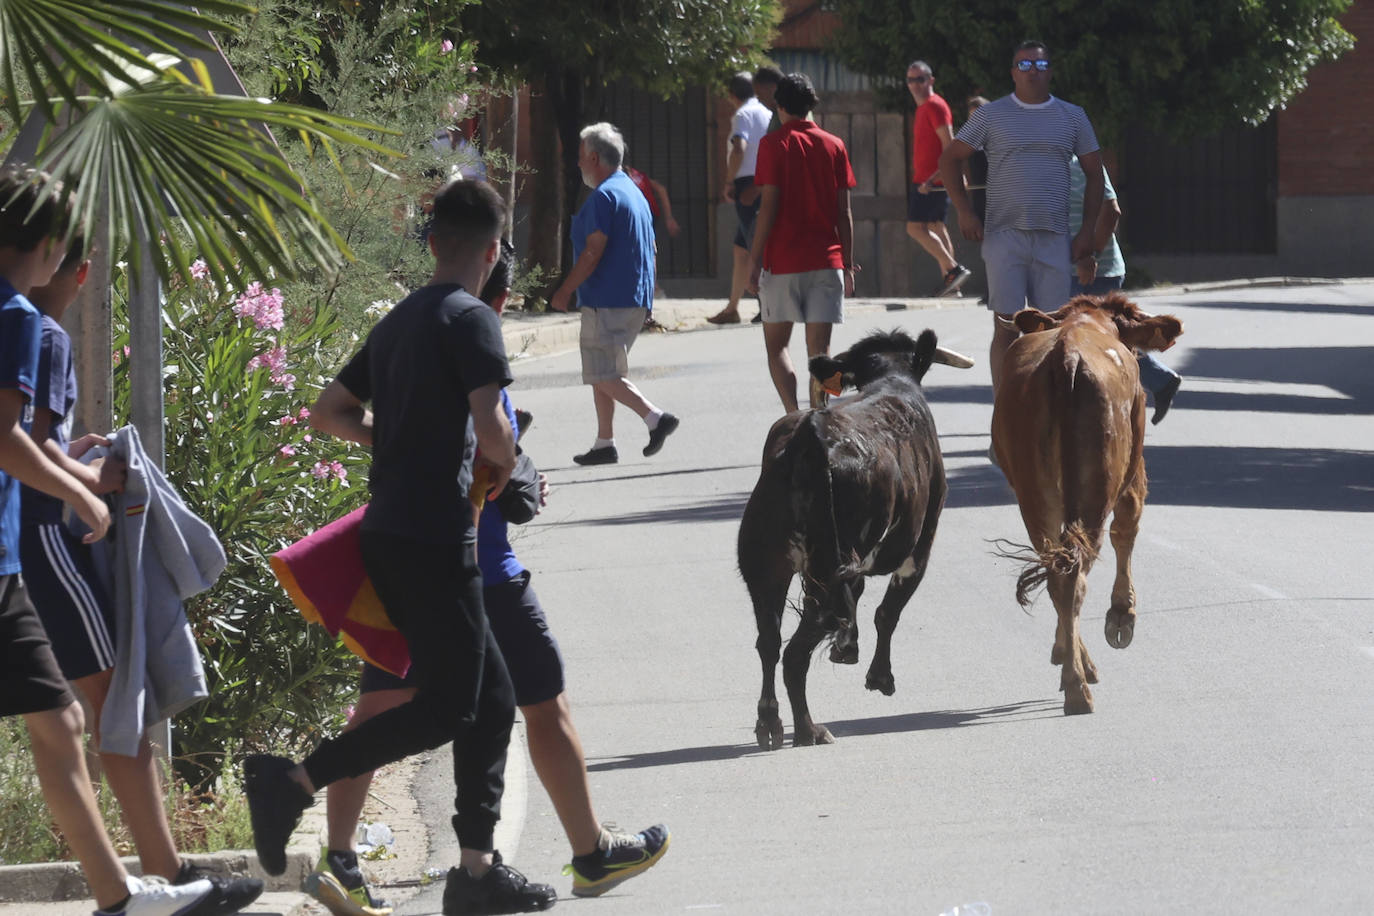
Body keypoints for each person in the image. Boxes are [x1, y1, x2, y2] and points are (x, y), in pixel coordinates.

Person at [305, 243, 669, 915]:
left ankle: (339, 859)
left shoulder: (405, 336)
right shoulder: (474, 344)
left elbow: (333, 412)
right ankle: (587, 853)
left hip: (402, 553)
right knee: (542, 700)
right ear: (497, 298)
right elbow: (496, 447)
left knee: (384, 704)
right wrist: (521, 473)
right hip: (480, 567)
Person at [247, 179, 557, 916]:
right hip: (432, 535)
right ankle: (293, 782)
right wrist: (506, 467)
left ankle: (477, 872)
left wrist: (393, 440)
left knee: (492, 700)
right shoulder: (473, 319)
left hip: (389, 530)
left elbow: (328, 412)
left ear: (431, 244)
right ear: (490, 251)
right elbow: (494, 432)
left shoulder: (399, 321)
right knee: (453, 706)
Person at [19, 237, 265, 914]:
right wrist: (92, 481)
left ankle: (147, 877)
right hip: (40, 541)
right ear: (81, 271)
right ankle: (164, 870)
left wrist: (70, 462)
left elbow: (31, 439)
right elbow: (25, 444)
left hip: (33, 534)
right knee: (114, 700)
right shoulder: (41, 332)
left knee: (72, 716)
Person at [939, 40, 1105, 395]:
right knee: (1006, 325)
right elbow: (950, 158)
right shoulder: (991, 115)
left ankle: (1050, 407)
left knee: (1051, 328)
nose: (1033, 72)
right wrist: (964, 211)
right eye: (1025, 65)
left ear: (1051, 72)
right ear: (1013, 72)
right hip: (1004, 235)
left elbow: (1095, 173)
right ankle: (1006, 410)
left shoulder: (1073, 116)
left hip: (1054, 237)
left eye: (1040, 66)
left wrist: (1086, 233)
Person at [549, 122, 680, 466]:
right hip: (631, 297)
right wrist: (648, 298)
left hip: (607, 298)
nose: (578, 165)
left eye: (580, 158)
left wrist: (564, 290)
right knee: (604, 370)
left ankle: (655, 418)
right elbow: (651, 248)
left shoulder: (605, 196)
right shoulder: (633, 192)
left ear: (594, 157)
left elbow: (592, 252)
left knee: (602, 373)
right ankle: (604, 442)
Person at [745, 73, 858, 414]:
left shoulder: (773, 145)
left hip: (782, 262)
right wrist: (849, 265)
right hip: (827, 261)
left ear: (779, 107)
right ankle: (823, 418)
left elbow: (769, 206)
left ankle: (794, 416)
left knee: (777, 347)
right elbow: (845, 212)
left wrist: (754, 261)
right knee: (821, 353)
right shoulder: (834, 145)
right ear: (812, 105)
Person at [1068, 156, 1182, 424]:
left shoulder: (1080, 164)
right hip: (1082, 268)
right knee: (1112, 339)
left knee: (1095, 341)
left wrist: (1091, 255)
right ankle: (1160, 380)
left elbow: (1112, 211)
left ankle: (1112, 404)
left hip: (1092, 270)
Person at [708, 71, 773, 325]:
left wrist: (728, 181)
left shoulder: (743, 115)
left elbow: (739, 148)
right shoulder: (766, 113)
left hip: (748, 185)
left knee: (756, 247)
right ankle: (733, 307)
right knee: (741, 249)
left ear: (732, 95)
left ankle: (766, 306)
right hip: (765, 182)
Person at [904, 60, 971, 298]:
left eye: (920, 79)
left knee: (914, 228)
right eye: (911, 80)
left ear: (930, 80)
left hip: (932, 182)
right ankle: (952, 285)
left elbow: (950, 147)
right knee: (935, 227)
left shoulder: (935, 106)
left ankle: (953, 269)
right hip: (927, 180)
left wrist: (933, 179)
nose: (915, 85)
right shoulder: (924, 108)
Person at [621, 163, 680, 317]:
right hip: (649, 216)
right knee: (647, 252)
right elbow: (661, 189)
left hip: (637, 217)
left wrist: (668, 218)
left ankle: (652, 288)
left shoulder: (621, 178)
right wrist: (668, 218)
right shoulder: (639, 175)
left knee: (641, 253)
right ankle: (653, 288)